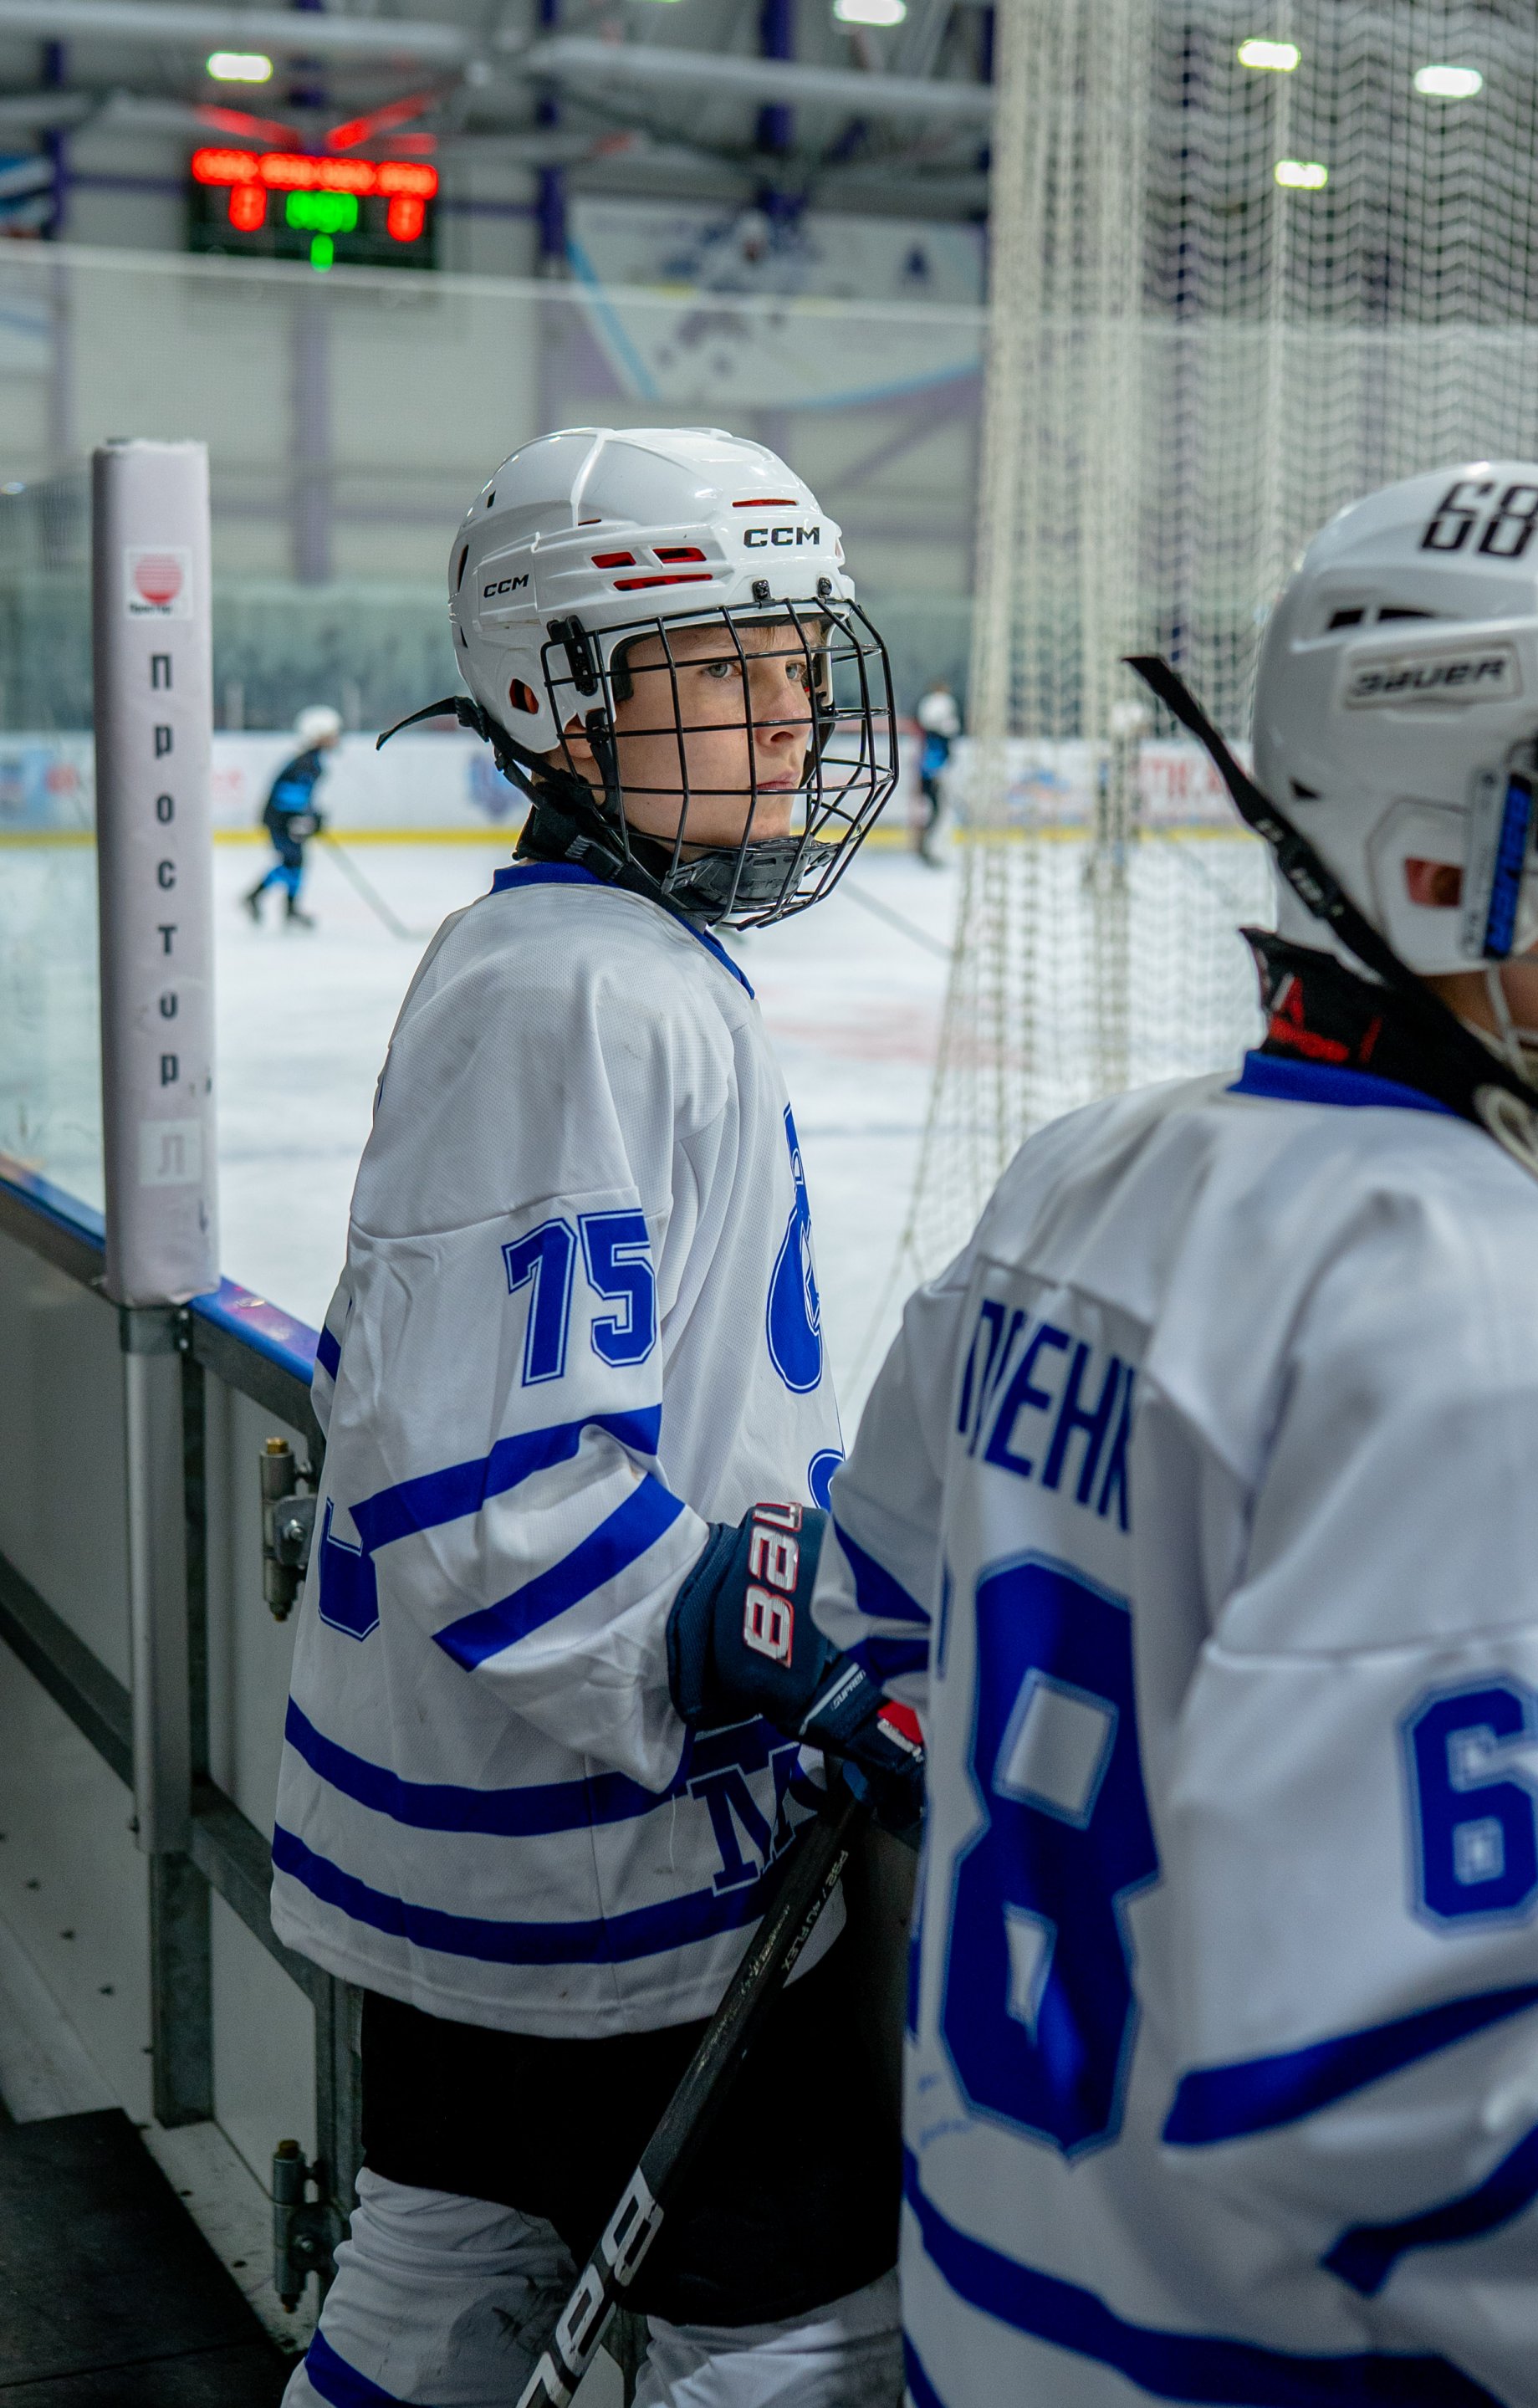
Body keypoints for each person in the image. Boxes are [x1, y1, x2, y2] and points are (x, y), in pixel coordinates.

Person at [807, 462, 1538, 2406]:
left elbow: (875, 1609)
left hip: (1003, 2315)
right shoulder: (1499, 1314)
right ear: (1435, 851)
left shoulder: (1078, 1179)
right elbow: (1409, 2072)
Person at [272, 427, 916, 2408]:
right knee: (800, 2347)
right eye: (724, 666)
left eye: (797, 656)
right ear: (560, 699)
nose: (792, 713)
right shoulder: (584, 992)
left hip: (487, 1858)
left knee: (436, 2279)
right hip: (597, 1871)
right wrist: (754, 1643)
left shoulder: (582, 954)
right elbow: (498, 1479)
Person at [243, 703, 343, 928]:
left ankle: (286, 907)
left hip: (285, 820)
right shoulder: (307, 764)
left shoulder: (311, 761)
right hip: (281, 822)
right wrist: (305, 818)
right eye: (331, 734)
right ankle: (257, 897)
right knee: (291, 861)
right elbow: (289, 797)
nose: (336, 738)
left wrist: (310, 816)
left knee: (295, 862)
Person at [912, 678, 960, 864]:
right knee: (937, 813)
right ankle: (929, 849)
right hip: (934, 779)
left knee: (939, 814)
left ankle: (931, 849)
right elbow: (931, 762)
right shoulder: (935, 743)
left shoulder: (939, 743)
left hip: (935, 777)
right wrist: (936, 775)